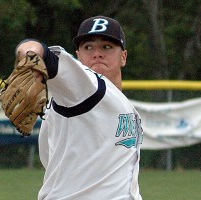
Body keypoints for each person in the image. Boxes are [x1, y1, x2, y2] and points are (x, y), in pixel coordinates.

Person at [16, 16, 143, 200]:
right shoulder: (87, 88)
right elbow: (44, 55)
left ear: (123, 56)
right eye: (88, 47)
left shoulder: (122, 102)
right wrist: (31, 54)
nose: (97, 54)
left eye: (106, 47)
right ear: (78, 56)